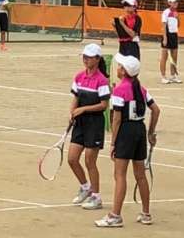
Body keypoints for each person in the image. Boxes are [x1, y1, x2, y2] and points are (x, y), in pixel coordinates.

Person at [95, 54, 160, 228]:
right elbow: (156, 110)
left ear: (124, 71)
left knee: (120, 175)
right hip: (140, 130)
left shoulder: (119, 90)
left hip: (126, 132)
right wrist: (151, 133)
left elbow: (116, 119)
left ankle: (115, 215)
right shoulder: (142, 89)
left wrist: (113, 143)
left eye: (120, 66)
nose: (117, 68)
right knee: (140, 175)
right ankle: (146, 213)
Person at [68, 43, 110, 211]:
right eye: (84, 56)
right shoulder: (79, 77)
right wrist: (72, 113)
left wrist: (83, 109)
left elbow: (104, 105)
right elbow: (75, 98)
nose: (86, 59)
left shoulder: (102, 80)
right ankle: (86, 187)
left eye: (89, 57)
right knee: (72, 159)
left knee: (89, 161)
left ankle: (96, 197)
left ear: (97, 59)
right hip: (80, 123)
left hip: (95, 124)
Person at [160, 0, 181, 84]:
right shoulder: (166, 12)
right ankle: (163, 76)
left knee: (174, 56)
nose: (176, 4)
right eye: (174, 2)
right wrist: (165, 38)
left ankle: (173, 76)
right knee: (164, 57)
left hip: (174, 35)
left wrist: (178, 18)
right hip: (167, 35)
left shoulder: (176, 13)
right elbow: (164, 26)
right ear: (169, 3)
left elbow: (178, 25)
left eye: (177, 2)